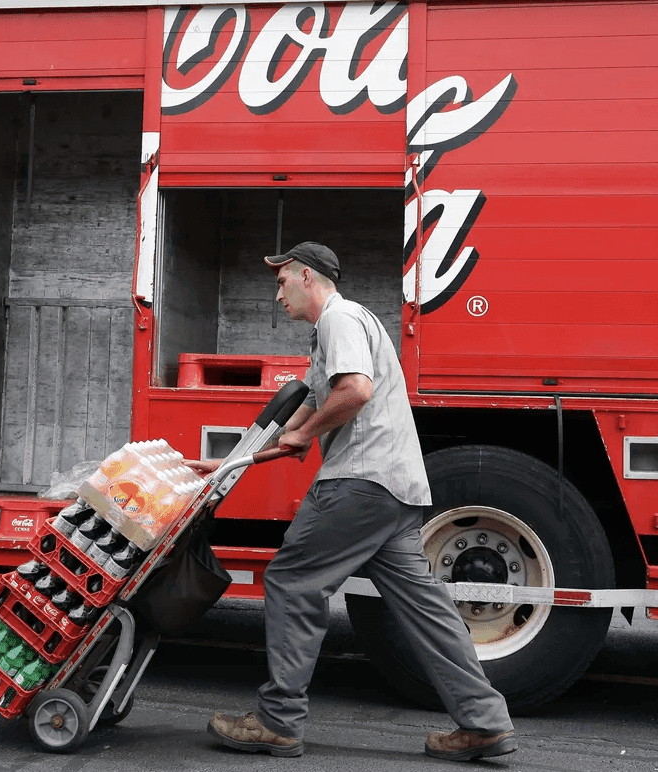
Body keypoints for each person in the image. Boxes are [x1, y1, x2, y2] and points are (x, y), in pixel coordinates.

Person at [190, 242, 516, 761]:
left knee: (292, 580)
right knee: (426, 608)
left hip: (360, 482)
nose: (277, 296)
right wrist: (229, 463)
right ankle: (484, 722)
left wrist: (310, 433)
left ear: (306, 277)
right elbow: (302, 422)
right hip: (396, 489)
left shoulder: (340, 319)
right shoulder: (331, 336)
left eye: (281, 283)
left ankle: (278, 720)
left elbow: (356, 393)